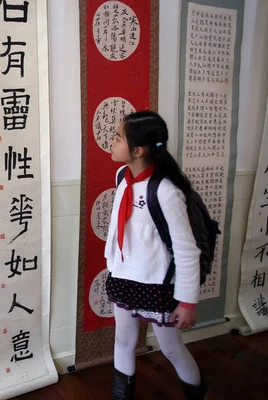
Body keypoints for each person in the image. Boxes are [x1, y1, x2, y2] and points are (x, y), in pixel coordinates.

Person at [105, 110, 207, 399]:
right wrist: (113, 265)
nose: (111, 143)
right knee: (123, 341)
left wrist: (187, 302)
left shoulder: (165, 191)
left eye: (117, 138)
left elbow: (187, 251)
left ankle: (197, 394)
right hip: (125, 277)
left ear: (138, 150)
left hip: (157, 285)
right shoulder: (122, 178)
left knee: (171, 347)